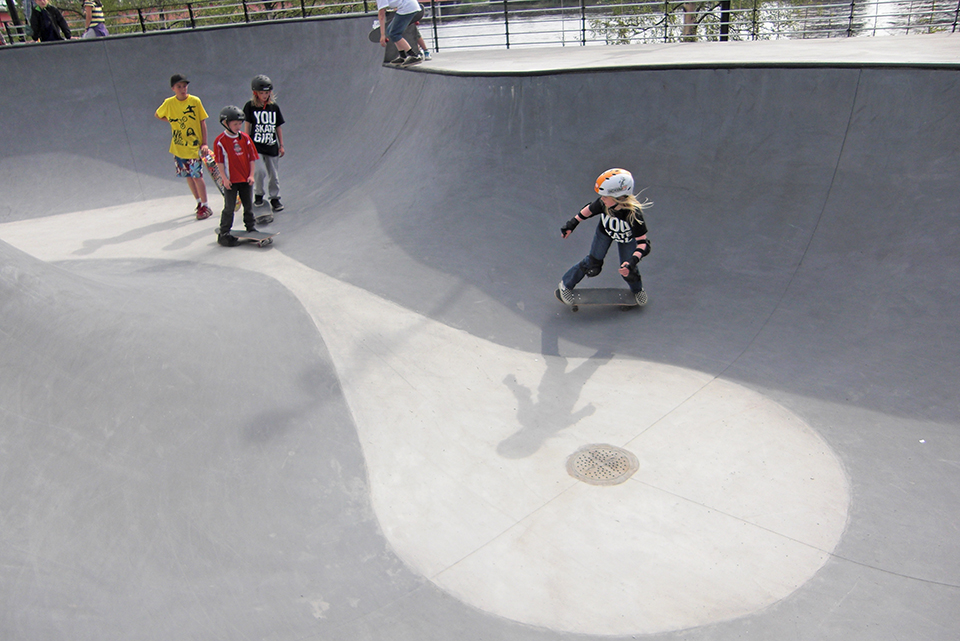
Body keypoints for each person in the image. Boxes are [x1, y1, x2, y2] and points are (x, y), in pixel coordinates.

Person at [557, 168, 652, 306]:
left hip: (626, 239)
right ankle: (566, 285)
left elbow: (643, 243)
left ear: (618, 197)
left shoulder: (634, 215)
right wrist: (572, 224)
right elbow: (589, 210)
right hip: (605, 233)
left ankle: (638, 290)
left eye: (605, 196)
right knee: (592, 263)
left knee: (629, 271)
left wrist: (631, 261)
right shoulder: (604, 203)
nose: (602, 199)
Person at [154, 74, 214, 220]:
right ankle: (199, 203)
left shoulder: (195, 101)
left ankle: (206, 206)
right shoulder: (169, 103)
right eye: (179, 87)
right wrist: (171, 121)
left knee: (197, 176)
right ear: (173, 88)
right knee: (188, 176)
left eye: (184, 86)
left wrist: (204, 143)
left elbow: (202, 122)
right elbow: (157, 114)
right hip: (178, 148)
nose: (182, 89)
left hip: (194, 148)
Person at [213, 106, 260, 247]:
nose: (238, 126)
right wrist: (224, 179)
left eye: (240, 124)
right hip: (231, 181)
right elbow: (219, 162)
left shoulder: (245, 138)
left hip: (245, 179)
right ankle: (224, 233)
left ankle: (251, 228)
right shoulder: (220, 141)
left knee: (248, 206)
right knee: (229, 207)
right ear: (225, 123)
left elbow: (252, 158)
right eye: (235, 124)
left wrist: (251, 175)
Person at [243, 74, 285, 220]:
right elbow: (247, 125)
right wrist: (246, 143)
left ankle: (275, 198)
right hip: (256, 147)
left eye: (267, 93)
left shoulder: (274, 107)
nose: (265, 96)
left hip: (272, 146)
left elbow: (278, 127)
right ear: (255, 93)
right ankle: (259, 195)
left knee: (274, 175)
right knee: (259, 172)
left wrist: (282, 145)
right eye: (262, 93)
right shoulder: (250, 106)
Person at [376, 0, 423, 66]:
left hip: (407, 7)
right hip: (410, 5)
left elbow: (381, 15)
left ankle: (414, 56)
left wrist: (382, 35)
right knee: (390, 31)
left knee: (394, 33)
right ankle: (402, 56)